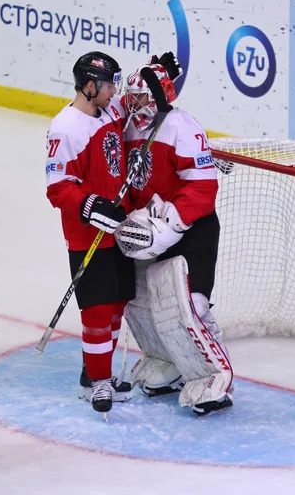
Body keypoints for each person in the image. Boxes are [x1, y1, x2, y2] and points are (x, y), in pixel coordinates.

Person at [115, 54, 233, 415]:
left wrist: (171, 224)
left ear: (158, 97)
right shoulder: (130, 129)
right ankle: (167, 362)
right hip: (153, 230)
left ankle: (214, 378)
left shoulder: (183, 126)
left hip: (191, 230)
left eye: (139, 97)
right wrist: (131, 220)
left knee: (188, 307)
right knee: (144, 305)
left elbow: (200, 187)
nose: (131, 103)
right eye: (129, 97)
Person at [46, 51, 135, 416]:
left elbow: (135, 101)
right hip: (89, 235)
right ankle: (98, 381)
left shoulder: (110, 109)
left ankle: (95, 371)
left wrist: (154, 77)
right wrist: (91, 207)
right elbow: (58, 187)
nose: (115, 90)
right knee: (97, 310)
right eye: (109, 83)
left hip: (121, 229)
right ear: (88, 86)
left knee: (117, 305)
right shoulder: (65, 128)